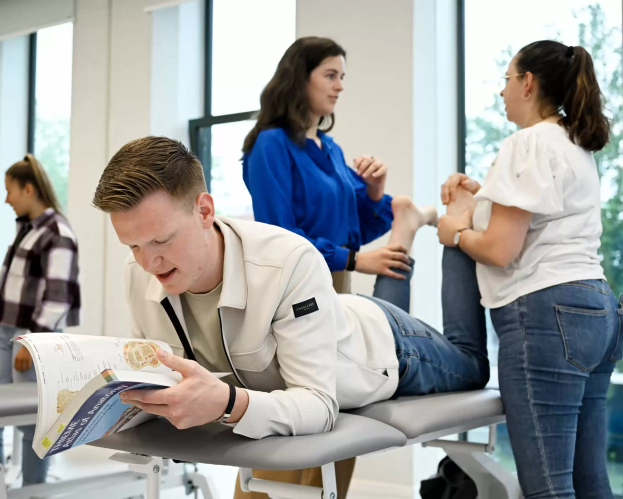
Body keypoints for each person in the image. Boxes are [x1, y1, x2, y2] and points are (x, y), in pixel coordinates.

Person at [92, 136, 489, 499]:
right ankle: (404, 226)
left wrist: (227, 402)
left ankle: (455, 227)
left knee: (473, 365)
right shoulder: (139, 272)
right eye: (134, 246)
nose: (149, 262)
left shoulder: (287, 261)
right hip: (334, 322)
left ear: (204, 211)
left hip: (391, 349)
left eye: (161, 240)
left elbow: (318, 405)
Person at [437, 41, 622, 499]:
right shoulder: (572, 143)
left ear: (527, 83)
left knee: (548, 489)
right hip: (597, 311)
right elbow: (535, 222)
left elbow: (500, 250)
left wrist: (454, 232)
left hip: (548, 316)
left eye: (505, 80)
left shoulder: (528, 142)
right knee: (589, 480)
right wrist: (482, 198)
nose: (501, 93)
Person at [242, 37, 436, 295]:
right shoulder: (271, 144)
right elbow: (280, 237)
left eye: (342, 76)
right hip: (296, 284)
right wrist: (355, 260)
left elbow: (356, 230)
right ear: (300, 79)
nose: (340, 86)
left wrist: (375, 190)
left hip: (337, 279)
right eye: (330, 76)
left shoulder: (331, 149)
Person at [0, 154, 81, 486]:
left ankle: (33, 490)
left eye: (10, 191)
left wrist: (33, 342)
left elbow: (58, 296)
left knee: (34, 419)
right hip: (8, 331)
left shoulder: (57, 232)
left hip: (30, 337)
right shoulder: (29, 230)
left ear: (29, 189)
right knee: (7, 411)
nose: (7, 199)